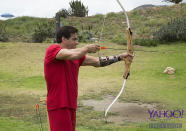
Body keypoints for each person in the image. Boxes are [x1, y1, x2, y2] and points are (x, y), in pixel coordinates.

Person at [44, 26, 133, 131]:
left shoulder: (77, 56)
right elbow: (73, 54)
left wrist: (120, 57)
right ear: (63, 39)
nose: (77, 42)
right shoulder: (53, 50)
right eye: (74, 39)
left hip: (71, 104)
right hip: (58, 104)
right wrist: (86, 48)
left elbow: (97, 61)